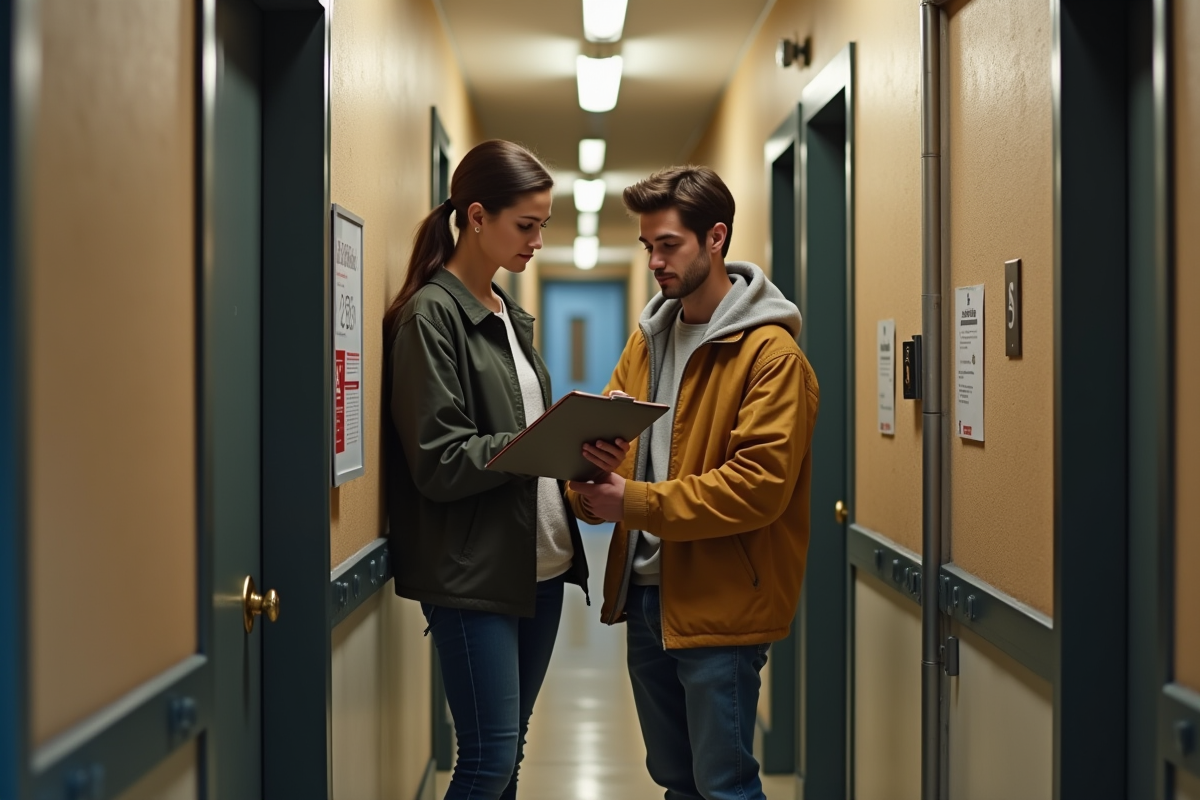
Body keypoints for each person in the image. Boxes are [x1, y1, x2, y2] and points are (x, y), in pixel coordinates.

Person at [383, 139, 629, 800]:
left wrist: (578, 451)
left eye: (544, 225)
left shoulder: (507, 315)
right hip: (473, 573)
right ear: (476, 216)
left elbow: (518, 444)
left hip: (541, 566)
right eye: (527, 225)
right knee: (488, 758)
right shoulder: (430, 316)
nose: (537, 241)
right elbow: (438, 458)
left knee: (509, 755)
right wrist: (541, 441)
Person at [568, 165, 819, 800]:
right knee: (676, 781)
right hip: (646, 597)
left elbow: (758, 486)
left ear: (715, 238)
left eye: (668, 244)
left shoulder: (770, 356)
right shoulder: (649, 341)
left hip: (721, 604)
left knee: (724, 785)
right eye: (648, 245)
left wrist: (631, 500)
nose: (655, 260)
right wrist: (591, 483)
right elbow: (607, 455)